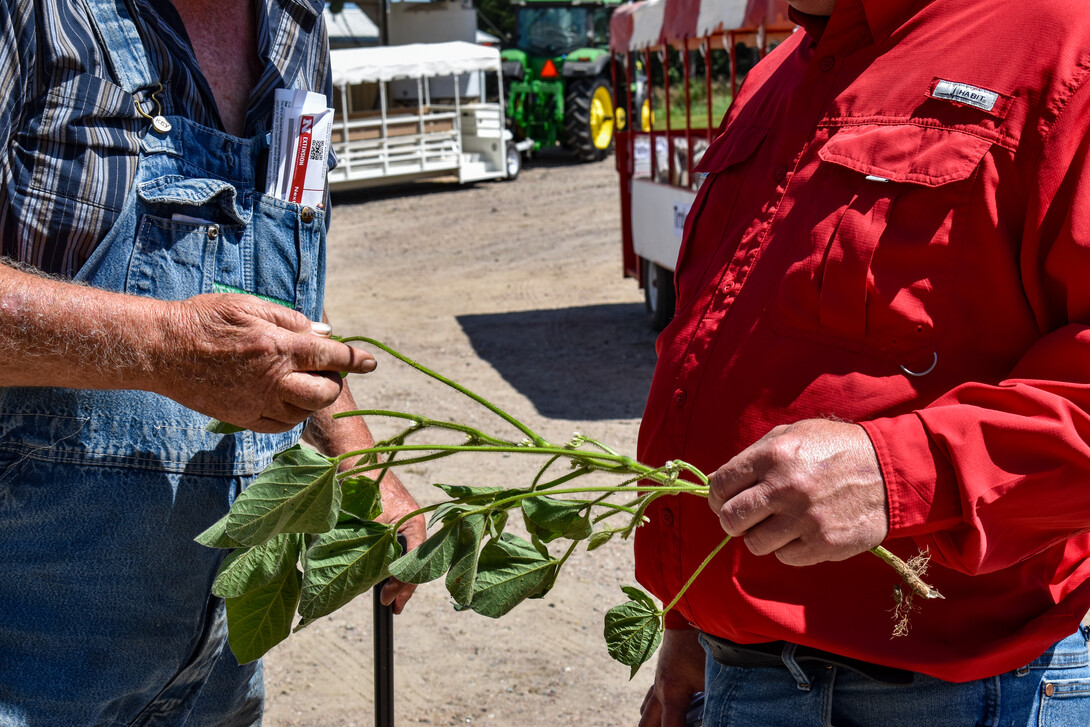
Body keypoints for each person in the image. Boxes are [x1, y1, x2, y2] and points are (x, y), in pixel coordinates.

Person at [636, 0, 1090, 724]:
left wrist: (900, 471)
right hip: (740, 675)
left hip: (957, 694)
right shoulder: (779, 73)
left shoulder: (1063, 45)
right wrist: (688, 624)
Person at [0, 0, 425, 724]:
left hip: (216, 680)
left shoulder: (298, 30)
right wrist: (161, 348)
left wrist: (355, 455)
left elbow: (287, 300)